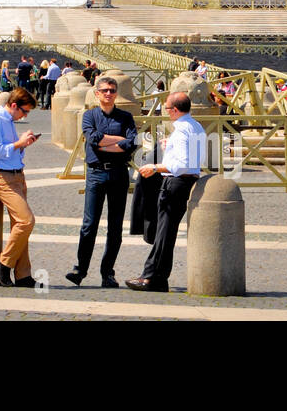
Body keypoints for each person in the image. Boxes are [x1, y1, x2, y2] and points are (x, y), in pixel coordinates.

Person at [126, 92, 206, 292]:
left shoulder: (180, 130)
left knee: (164, 233)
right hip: (188, 182)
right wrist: (168, 147)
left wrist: (155, 167)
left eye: (167, 109)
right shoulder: (196, 126)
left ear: (175, 110)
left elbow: (181, 165)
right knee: (166, 233)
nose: (166, 112)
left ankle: (150, 277)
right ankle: (159, 278)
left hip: (176, 183)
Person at [67, 77, 137, 288]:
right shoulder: (89, 115)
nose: (109, 93)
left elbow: (132, 142)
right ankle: (80, 269)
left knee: (115, 227)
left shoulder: (126, 117)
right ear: (97, 94)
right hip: (96, 174)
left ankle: (108, 273)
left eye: (112, 90)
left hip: (118, 174)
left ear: (116, 93)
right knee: (89, 225)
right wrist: (118, 142)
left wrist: (106, 143)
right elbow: (92, 138)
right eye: (105, 90)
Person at [0, 88, 41, 287]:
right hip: (2, 178)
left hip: (17, 176)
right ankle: (4, 264)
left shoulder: (8, 121)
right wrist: (19, 143)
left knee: (19, 225)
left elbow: (11, 150)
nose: (24, 116)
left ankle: (23, 275)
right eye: (24, 111)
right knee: (26, 221)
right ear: (13, 105)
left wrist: (24, 143)